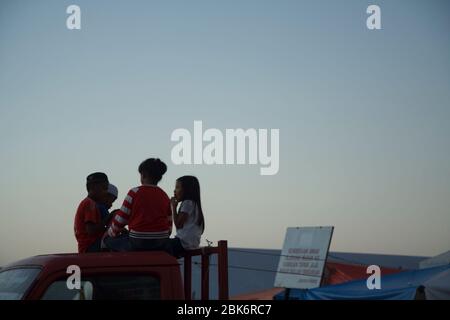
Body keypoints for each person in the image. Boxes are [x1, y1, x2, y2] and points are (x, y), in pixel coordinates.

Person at [103, 158, 172, 252]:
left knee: (108, 240)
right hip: (161, 242)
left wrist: (110, 233)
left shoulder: (134, 192)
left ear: (143, 175)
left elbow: (121, 219)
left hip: (138, 242)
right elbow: (169, 225)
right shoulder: (164, 195)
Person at [168, 175, 205, 258]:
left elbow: (178, 224)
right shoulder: (195, 204)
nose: (174, 191)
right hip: (191, 244)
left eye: (177, 187)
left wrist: (173, 207)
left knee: (157, 244)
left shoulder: (187, 202)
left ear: (186, 190)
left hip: (183, 243)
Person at [74, 172, 111, 253]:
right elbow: (91, 230)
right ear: (92, 187)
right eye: (104, 188)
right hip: (90, 246)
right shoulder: (89, 204)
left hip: (90, 245)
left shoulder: (89, 203)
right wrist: (109, 218)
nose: (105, 192)